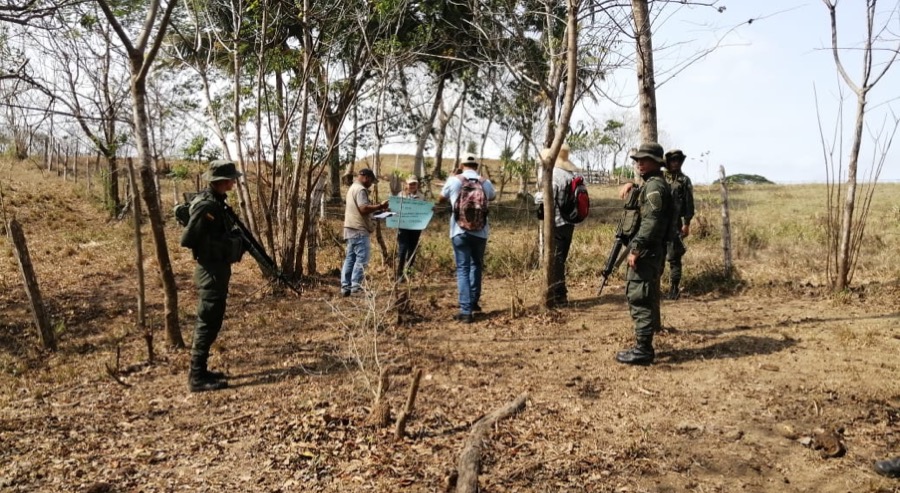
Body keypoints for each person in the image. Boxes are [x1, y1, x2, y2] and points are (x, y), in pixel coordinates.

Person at [180, 160, 246, 392]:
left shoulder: (217, 202)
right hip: (210, 270)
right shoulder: (207, 205)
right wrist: (222, 245)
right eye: (231, 179)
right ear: (222, 181)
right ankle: (197, 376)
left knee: (213, 320)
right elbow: (187, 239)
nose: (234, 182)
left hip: (217, 269)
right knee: (207, 321)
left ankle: (201, 370)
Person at [615, 143, 674, 365]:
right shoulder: (652, 184)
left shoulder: (655, 187)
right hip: (652, 250)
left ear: (656, 163)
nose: (640, 163)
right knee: (641, 296)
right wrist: (632, 185)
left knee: (639, 297)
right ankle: (642, 347)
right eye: (638, 160)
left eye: (645, 160)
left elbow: (652, 221)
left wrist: (637, 248)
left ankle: (643, 350)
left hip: (647, 252)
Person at [439, 157, 496, 323]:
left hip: (459, 231)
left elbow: (441, 198)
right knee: (476, 265)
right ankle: (473, 302)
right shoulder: (485, 182)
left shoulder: (454, 180)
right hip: (480, 231)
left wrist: (451, 178)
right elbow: (492, 197)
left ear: (461, 165)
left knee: (463, 269)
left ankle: (465, 311)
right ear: (476, 166)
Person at [539, 144, 580, 306]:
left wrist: (535, 196)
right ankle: (559, 294)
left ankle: (558, 295)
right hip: (569, 222)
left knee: (555, 260)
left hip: (555, 223)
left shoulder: (554, 175)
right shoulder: (571, 175)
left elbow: (547, 197)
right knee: (560, 259)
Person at [341, 168, 388, 297]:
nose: (371, 184)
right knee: (362, 259)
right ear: (366, 177)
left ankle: (346, 287)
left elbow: (361, 210)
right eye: (371, 181)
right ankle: (356, 288)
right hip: (359, 229)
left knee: (350, 258)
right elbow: (363, 209)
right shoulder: (361, 190)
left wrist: (379, 211)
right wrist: (380, 206)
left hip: (350, 228)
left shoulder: (352, 188)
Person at [663, 149, 695, 300]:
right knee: (656, 255)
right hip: (659, 223)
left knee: (674, 257)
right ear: (667, 162)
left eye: (678, 160)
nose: (675, 163)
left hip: (675, 224)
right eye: (672, 160)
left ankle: (674, 289)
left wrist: (686, 224)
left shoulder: (684, 180)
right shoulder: (660, 178)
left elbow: (689, 204)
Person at [396, 176, 423, 282]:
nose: (412, 186)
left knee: (412, 249)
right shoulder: (401, 195)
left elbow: (424, 210)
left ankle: (408, 273)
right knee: (403, 249)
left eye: (414, 184)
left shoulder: (421, 196)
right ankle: (399, 274)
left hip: (415, 227)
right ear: (406, 184)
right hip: (403, 226)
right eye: (410, 184)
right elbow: (396, 208)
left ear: (417, 185)